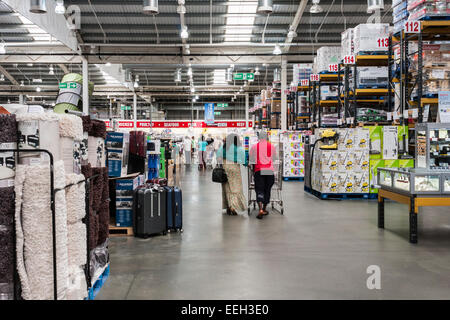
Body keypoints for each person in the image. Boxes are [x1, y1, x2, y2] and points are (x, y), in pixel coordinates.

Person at [249, 131, 277, 220]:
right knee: (267, 189)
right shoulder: (271, 146)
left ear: (259, 138)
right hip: (269, 171)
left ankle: (260, 209)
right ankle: (264, 209)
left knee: (259, 189)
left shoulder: (254, 147)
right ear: (266, 137)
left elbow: (251, 160)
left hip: (259, 170)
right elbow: (274, 158)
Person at [216, 134, 247, 215]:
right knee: (236, 188)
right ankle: (233, 206)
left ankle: (229, 206)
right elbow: (244, 161)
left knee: (227, 188)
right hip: (235, 168)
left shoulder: (224, 148)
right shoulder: (239, 148)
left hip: (225, 168)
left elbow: (218, 157)